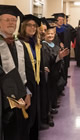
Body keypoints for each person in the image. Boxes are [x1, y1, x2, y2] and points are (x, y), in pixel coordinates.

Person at [0, 5, 35, 140]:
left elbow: (28, 72)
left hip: (22, 99)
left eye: (14, 20)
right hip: (3, 102)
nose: (11, 23)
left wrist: (28, 93)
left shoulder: (19, 44)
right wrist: (12, 95)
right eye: (7, 20)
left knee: (21, 131)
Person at [18, 14, 42, 140]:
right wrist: (26, 89)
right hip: (25, 87)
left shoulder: (35, 43)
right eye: (29, 25)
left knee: (34, 116)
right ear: (23, 26)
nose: (32, 28)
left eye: (35, 26)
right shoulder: (19, 43)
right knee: (26, 119)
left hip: (35, 84)